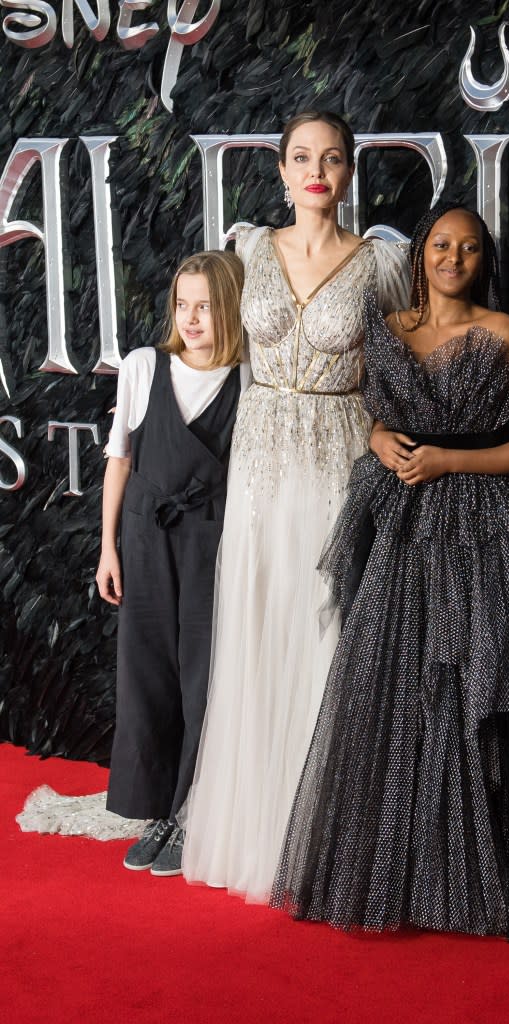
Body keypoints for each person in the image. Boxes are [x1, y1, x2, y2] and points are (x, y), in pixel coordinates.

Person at [270, 203, 509, 941]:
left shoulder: (505, 335)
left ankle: (488, 874)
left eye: (468, 247)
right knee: (400, 693)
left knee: (480, 687)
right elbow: (367, 411)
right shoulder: (389, 332)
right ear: (421, 256)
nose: (453, 256)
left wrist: (446, 460)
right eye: (440, 244)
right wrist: (378, 435)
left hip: (488, 528)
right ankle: (411, 874)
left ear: (483, 261)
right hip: (400, 527)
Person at [180, 111, 408, 902]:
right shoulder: (246, 250)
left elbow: (400, 368)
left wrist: (391, 438)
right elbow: (206, 345)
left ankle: (332, 842)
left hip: (340, 459)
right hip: (261, 460)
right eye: (302, 158)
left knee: (328, 633)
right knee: (259, 624)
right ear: (280, 171)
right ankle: (260, 833)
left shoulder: (382, 263)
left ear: (349, 173)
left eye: (333, 158)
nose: (317, 170)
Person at [97, 250, 247, 877]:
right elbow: (120, 460)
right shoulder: (143, 367)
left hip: (212, 541)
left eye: (206, 306)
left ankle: (192, 813)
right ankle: (155, 808)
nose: (191, 318)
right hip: (143, 536)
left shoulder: (249, 380)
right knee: (148, 672)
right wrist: (106, 547)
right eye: (183, 305)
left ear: (231, 310)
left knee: (204, 678)